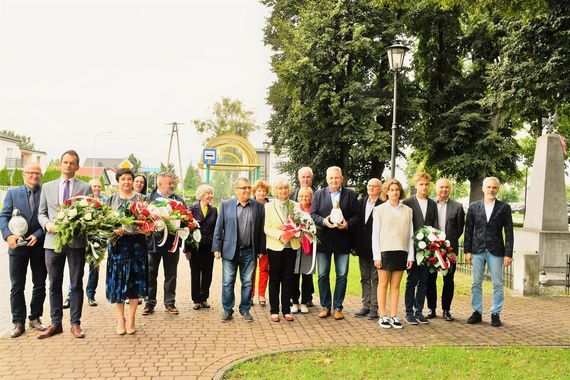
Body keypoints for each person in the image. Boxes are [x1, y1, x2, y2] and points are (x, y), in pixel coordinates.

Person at [37, 150, 92, 339]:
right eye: (65, 162)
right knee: (54, 283)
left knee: (76, 283)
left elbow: (91, 214)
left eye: (72, 163)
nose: (68, 165)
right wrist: (47, 225)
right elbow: (41, 213)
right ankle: (55, 323)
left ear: (77, 166)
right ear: (60, 164)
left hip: (76, 243)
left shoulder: (85, 188)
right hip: (52, 243)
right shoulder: (47, 187)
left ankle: (75, 324)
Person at [0, 163, 47, 338]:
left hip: (39, 245)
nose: (34, 176)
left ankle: (35, 318)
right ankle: (18, 322)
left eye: (37, 173)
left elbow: (50, 218)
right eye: (30, 172)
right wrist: (7, 236)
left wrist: (38, 234)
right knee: (17, 286)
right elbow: (4, 216)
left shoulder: (45, 193)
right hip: (17, 247)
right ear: (23, 174)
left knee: (40, 283)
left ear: (41, 175)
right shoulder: (13, 193)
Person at [212, 177, 265, 323]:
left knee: (247, 282)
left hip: (249, 251)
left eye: (249, 188)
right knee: (228, 282)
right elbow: (219, 227)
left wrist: (261, 249)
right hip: (230, 250)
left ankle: (245, 309)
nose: (247, 190)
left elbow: (261, 230)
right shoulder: (226, 205)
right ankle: (227, 311)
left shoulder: (258, 207)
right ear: (237, 190)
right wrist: (216, 247)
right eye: (244, 188)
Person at [310, 166, 359, 320]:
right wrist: (323, 221)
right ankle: (325, 307)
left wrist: (347, 224)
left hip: (342, 242)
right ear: (327, 179)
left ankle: (338, 307)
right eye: (331, 178)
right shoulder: (318, 194)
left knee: (342, 275)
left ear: (341, 178)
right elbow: (313, 214)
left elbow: (357, 215)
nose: (334, 180)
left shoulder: (351, 195)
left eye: (336, 178)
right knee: (323, 275)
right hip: (324, 241)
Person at [465, 176, 513, 327]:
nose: (491, 190)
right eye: (489, 187)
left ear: (497, 189)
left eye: (494, 187)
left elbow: (509, 232)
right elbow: (468, 230)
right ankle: (477, 312)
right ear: (483, 188)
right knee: (475, 282)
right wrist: (467, 250)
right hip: (477, 249)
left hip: (496, 250)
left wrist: (508, 253)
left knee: (497, 283)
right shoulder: (473, 207)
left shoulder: (504, 208)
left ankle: (495, 313)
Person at [105, 168, 148, 335]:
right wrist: (113, 230)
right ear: (118, 181)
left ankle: (131, 318)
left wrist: (147, 229)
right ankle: (120, 319)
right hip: (117, 249)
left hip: (137, 248)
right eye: (123, 179)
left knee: (134, 285)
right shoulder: (110, 200)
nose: (127, 182)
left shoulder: (142, 200)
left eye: (129, 179)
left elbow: (149, 223)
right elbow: (103, 225)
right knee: (118, 285)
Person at [372, 179, 414, 329]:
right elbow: (375, 235)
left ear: (400, 191)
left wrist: (411, 256)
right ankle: (382, 316)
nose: (395, 192)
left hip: (401, 252)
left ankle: (394, 315)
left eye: (397, 189)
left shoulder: (408, 211)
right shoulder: (379, 210)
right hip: (384, 251)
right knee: (383, 285)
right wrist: (376, 256)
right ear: (386, 192)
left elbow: (410, 235)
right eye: (392, 189)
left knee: (395, 286)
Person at [143, 172, 186, 316]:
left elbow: (186, 218)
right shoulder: (148, 199)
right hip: (153, 244)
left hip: (171, 245)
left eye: (173, 182)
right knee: (150, 274)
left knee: (171, 274)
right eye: (169, 183)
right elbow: (142, 219)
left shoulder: (178, 200)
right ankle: (149, 303)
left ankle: (169, 303)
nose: (172, 185)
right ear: (159, 184)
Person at [426, 178, 465, 321]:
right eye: (441, 187)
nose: (444, 190)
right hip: (431, 248)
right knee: (430, 279)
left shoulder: (458, 206)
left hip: (449, 250)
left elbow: (460, 228)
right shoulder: (429, 204)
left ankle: (446, 310)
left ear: (450, 189)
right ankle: (431, 309)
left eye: (447, 187)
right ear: (436, 188)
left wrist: (449, 243)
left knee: (448, 280)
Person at [403, 172, 439, 325]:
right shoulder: (408, 202)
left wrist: (435, 245)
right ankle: (409, 312)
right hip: (412, 247)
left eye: (426, 184)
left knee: (424, 280)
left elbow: (435, 225)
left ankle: (419, 311)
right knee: (412, 279)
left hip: (427, 249)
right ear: (416, 185)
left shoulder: (432, 204)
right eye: (421, 184)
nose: (424, 187)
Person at [63, 177, 105, 309]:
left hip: (97, 239)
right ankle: (70, 295)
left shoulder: (104, 201)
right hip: (81, 240)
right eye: (94, 186)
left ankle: (91, 295)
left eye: (98, 186)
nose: (96, 189)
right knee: (76, 269)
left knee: (94, 268)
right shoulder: (80, 201)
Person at [264, 179, 300, 322]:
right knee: (274, 279)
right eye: (280, 188)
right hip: (275, 247)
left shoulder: (296, 206)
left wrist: (295, 232)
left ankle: (286, 310)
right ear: (275, 191)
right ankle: (274, 310)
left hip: (292, 246)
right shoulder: (268, 207)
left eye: (285, 188)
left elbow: (300, 226)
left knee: (288, 278)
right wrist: (280, 235)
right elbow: (266, 228)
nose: (283, 191)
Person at [354, 178, 383, 320]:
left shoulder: (383, 204)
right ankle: (365, 305)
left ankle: (374, 307)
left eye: (375, 186)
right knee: (364, 277)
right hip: (362, 247)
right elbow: (357, 224)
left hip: (377, 247)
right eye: (369, 185)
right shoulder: (361, 202)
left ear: (380, 189)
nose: (371, 188)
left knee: (375, 278)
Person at [185, 184, 218, 310]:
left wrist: (216, 248)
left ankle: (204, 298)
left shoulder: (214, 210)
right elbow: (186, 230)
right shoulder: (192, 209)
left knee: (207, 273)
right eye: (207, 193)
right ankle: (196, 300)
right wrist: (187, 250)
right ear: (201, 195)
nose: (210, 196)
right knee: (195, 273)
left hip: (209, 247)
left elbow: (216, 230)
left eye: (211, 193)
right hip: (195, 248)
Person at [289, 167, 316, 307]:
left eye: (308, 177)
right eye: (303, 177)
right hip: (295, 241)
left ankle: (307, 298)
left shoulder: (317, 196)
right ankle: (294, 299)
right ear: (299, 178)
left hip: (310, 242)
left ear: (311, 178)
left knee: (308, 272)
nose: (305, 179)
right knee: (293, 271)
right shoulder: (292, 194)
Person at [251, 179, 270, 306]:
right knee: (251, 270)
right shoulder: (250, 205)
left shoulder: (270, 206)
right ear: (254, 192)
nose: (261, 193)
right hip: (252, 243)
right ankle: (250, 295)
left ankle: (261, 295)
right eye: (259, 191)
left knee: (264, 270)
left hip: (267, 243)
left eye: (263, 191)